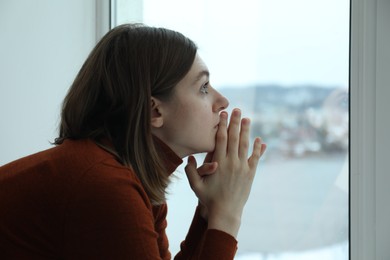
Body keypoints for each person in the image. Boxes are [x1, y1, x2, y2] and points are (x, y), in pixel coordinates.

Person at [0, 23, 266, 259]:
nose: (222, 102)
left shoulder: (131, 176)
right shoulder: (106, 185)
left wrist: (209, 212)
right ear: (154, 111)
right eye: (203, 88)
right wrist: (228, 215)